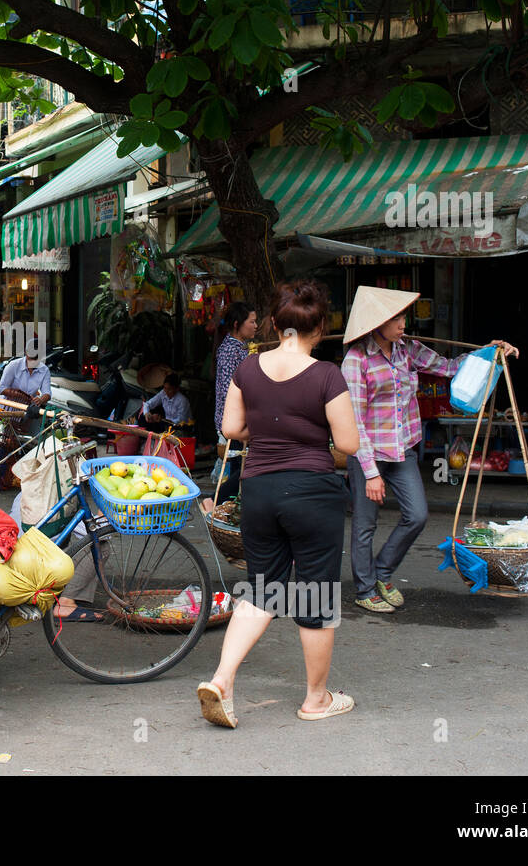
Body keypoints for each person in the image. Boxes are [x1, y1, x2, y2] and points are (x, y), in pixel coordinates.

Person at [197, 280, 361, 729]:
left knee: (263, 590)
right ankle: (315, 700)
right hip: (312, 493)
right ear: (321, 328)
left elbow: (231, 427)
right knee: (315, 594)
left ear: (274, 323)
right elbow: (348, 442)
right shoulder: (327, 375)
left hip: (260, 492)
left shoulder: (247, 369)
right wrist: (308, 437)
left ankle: (222, 679)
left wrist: (269, 433)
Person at [340, 286, 519, 613]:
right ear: (376, 322)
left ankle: (382, 571)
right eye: (396, 318)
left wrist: (489, 353)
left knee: (417, 515)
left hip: (403, 449)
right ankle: (365, 590)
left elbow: (450, 367)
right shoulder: (356, 360)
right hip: (369, 454)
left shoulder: (407, 349)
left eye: (403, 316)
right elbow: (355, 422)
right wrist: (370, 474)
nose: (403, 323)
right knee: (365, 525)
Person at [211, 301, 257, 501]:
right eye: (252, 322)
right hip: (235, 420)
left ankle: (233, 506)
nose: (255, 326)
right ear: (238, 324)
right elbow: (231, 390)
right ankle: (215, 501)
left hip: (239, 419)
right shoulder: (231, 350)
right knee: (244, 468)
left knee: (242, 467)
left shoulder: (241, 348)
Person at [0, 338, 51, 436]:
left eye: (36, 359)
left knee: (28, 441)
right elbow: (2, 389)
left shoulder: (44, 370)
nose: (33, 362)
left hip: (27, 413)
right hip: (7, 411)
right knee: (4, 441)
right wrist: (20, 395)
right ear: (26, 352)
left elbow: (47, 393)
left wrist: (41, 400)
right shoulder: (13, 365)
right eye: (31, 358)